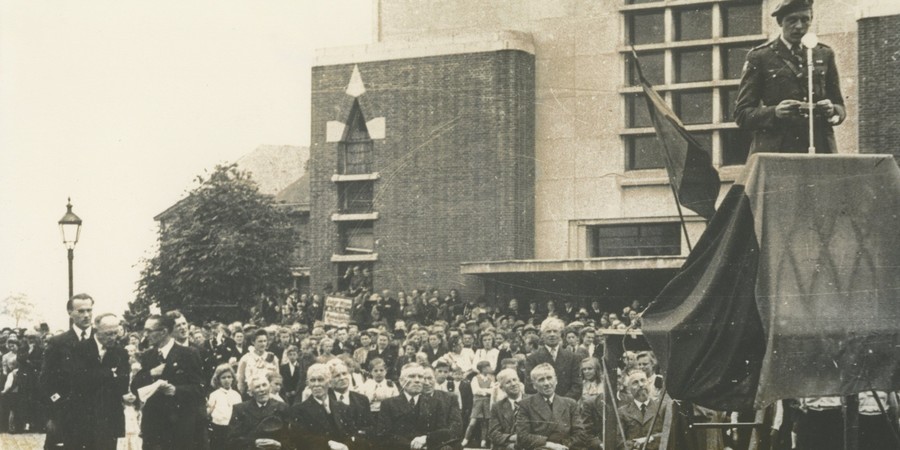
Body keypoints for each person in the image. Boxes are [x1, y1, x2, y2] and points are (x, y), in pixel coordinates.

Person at [734, 0, 846, 154]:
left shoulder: (824, 54)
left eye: (805, 19)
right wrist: (775, 112)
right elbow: (742, 115)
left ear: (811, 20)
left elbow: (840, 106)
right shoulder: (760, 56)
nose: (799, 26)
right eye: (792, 20)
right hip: (778, 150)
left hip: (820, 147)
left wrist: (832, 110)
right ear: (780, 22)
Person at [131, 314, 206, 450]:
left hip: (179, 426)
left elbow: (200, 388)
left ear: (164, 331)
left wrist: (176, 390)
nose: (145, 335)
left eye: (149, 331)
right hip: (154, 426)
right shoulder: (148, 355)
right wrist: (151, 373)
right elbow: (134, 386)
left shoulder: (188, 354)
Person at [39, 293, 94, 449]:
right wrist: (56, 407)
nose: (86, 315)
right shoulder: (58, 342)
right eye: (81, 311)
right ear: (70, 312)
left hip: (94, 416)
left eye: (89, 310)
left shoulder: (99, 339)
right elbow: (45, 380)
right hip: (66, 415)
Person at [69, 313, 130, 450]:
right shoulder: (79, 349)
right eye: (108, 334)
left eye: (115, 333)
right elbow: (78, 380)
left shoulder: (121, 353)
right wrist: (110, 373)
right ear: (96, 330)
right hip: (84, 416)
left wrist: (98, 375)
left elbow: (122, 383)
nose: (113, 338)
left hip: (109, 416)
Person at [375, 362, 456, 450]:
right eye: (412, 376)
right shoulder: (388, 404)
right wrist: (411, 445)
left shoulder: (435, 403)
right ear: (401, 381)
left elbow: (443, 432)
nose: (417, 380)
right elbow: (383, 435)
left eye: (420, 377)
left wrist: (426, 439)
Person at [515, 363, 588, 450]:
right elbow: (522, 436)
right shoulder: (525, 405)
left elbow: (580, 434)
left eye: (549, 378)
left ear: (556, 380)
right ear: (534, 385)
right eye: (541, 380)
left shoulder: (570, 404)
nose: (546, 383)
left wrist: (562, 445)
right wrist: (548, 444)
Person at [524, 317, 582, 399]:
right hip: (542, 407)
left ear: (560, 334)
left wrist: (561, 403)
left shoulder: (572, 357)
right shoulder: (532, 359)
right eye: (548, 331)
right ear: (542, 335)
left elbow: (577, 386)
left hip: (566, 405)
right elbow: (530, 387)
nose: (552, 334)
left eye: (555, 331)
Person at [228, 375, 288, 450]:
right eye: (257, 387)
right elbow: (232, 440)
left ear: (269, 388)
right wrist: (253, 443)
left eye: (264, 385)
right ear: (251, 392)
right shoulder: (240, 409)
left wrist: (280, 444)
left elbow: (290, 437)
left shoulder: (282, 407)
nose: (262, 389)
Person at [617, 369, 667, 450]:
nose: (640, 385)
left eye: (643, 380)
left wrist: (650, 438)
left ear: (648, 383)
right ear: (629, 389)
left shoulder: (662, 407)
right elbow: (619, 441)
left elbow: (669, 433)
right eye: (635, 382)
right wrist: (634, 445)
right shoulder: (622, 412)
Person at [207, 364, 243, 450]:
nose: (227, 380)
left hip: (233, 429)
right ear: (218, 380)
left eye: (229, 377)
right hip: (218, 429)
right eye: (223, 378)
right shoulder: (214, 395)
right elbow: (209, 411)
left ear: (233, 378)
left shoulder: (236, 395)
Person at [488, 368, 523, 450]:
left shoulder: (533, 402)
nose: (513, 384)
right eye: (508, 382)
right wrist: (511, 439)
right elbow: (493, 433)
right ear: (502, 388)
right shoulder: (497, 407)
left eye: (515, 380)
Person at [236, 329, 279, 395]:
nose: (263, 344)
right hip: (251, 394)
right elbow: (240, 380)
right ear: (253, 342)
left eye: (265, 341)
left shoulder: (273, 358)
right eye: (260, 341)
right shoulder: (245, 359)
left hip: (269, 394)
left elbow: (276, 379)